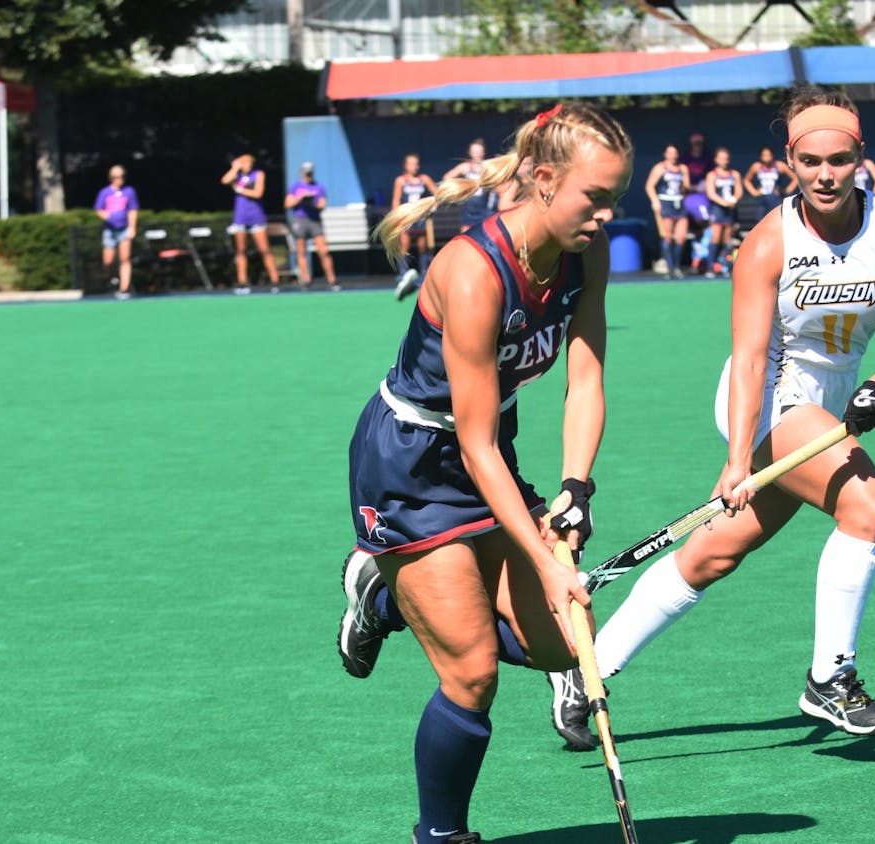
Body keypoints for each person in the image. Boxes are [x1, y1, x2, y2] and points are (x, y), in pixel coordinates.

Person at [547, 87, 875, 749]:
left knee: (714, 554)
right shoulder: (769, 242)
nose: (825, 174)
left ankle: (585, 669)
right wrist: (739, 459)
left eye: (840, 159)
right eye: (810, 160)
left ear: (861, 160)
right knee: (868, 505)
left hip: (833, 404)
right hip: (769, 396)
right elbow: (748, 359)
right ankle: (831, 679)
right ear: (789, 161)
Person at [334, 102, 633, 843]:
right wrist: (545, 557)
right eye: (594, 198)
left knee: (563, 645)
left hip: (490, 449)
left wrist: (575, 489)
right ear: (541, 179)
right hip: (410, 465)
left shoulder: (582, 255)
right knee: (472, 671)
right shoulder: (471, 273)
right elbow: (472, 444)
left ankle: (392, 596)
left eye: (615, 200)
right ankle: (442, 835)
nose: (605, 217)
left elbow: (586, 380)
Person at [222, 153, 282, 294]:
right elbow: (225, 180)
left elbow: (258, 193)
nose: (247, 165)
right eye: (244, 163)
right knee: (241, 251)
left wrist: (240, 189)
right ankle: (242, 282)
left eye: (249, 163)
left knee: (264, 250)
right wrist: (235, 168)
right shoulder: (237, 175)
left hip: (256, 217)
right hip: (241, 218)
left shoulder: (258, 174)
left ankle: (275, 281)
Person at [284, 162, 338, 291]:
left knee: (323, 251)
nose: (308, 175)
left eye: (310, 173)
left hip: (314, 221)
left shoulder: (319, 187)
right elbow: (287, 203)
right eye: (306, 173)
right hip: (300, 220)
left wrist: (312, 202)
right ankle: (306, 280)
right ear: (302, 173)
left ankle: (332, 280)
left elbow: (322, 205)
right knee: (302, 251)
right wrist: (300, 198)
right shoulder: (295, 186)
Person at [393, 153, 440, 300]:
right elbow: (396, 200)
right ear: (405, 166)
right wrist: (398, 217)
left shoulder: (423, 179)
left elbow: (438, 194)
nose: (414, 166)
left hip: (420, 217)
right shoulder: (401, 180)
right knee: (404, 246)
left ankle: (424, 277)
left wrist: (433, 207)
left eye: (416, 163)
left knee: (422, 247)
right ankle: (402, 275)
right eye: (411, 164)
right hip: (407, 218)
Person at [644, 144, 691, 279]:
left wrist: (686, 188)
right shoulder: (660, 168)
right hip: (666, 203)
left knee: (681, 237)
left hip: (679, 204)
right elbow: (649, 185)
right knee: (667, 236)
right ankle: (669, 268)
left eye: (675, 153)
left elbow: (686, 186)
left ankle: (677, 267)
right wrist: (655, 201)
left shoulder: (683, 168)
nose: (673, 155)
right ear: (665, 154)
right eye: (670, 153)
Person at [94, 165, 139, 300]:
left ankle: (123, 290)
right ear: (111, 178)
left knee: (125, 259)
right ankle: (112, 278)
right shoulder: (105, 192)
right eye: (116, 177)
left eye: (121, 176)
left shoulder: (129, 192)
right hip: (109, 230)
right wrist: (107, 216)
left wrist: (132, 227)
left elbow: (133, 210)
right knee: (108, 261)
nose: (119, 179)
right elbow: (98, 209)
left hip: (124, 229)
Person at [443, 139, 501, 235]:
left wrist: (490, 185)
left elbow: (499, 185)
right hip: (469, 207)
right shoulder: (465, 167)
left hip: (484, 206)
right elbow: (446, 178)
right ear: (470, 153)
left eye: (479, 152)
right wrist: (460, 188)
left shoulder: (488, 167)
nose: (477, 154)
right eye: (474, 152)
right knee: (466, 236)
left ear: (483, 153)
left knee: (485, 235)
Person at [703, 147, 742, 278]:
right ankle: (710, 266)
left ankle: (725, 265)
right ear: (716, 159)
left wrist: (734, 200)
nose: (724, 161)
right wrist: (723, 202)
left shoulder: (734, 174)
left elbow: (738, 191)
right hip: (717, 209)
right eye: (721, 158)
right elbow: (711, 193)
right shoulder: (712, 175)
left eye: (726, 158)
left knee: (727, 238)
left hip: (730, 210)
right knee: (715, 237)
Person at [743, 145, 797, 222]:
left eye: (768, 155)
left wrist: (786, 190)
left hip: (775, 198)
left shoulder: (779, 166)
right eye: (764, 155)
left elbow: (795, 178)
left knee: (777, 219)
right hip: (762, 198)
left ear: (772, 155)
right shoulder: (756, 167)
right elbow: (746, 180)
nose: (766, 157)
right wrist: (754, 192)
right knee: (761, 221)